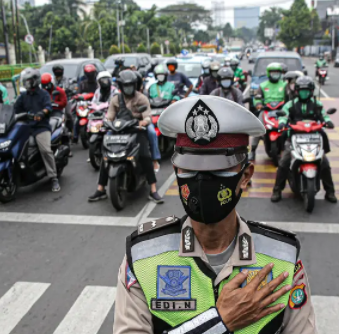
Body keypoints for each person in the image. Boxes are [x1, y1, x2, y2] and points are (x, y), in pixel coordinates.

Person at [114, 95, 316, 334]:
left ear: (246, 175)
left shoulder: (283, 258)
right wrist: (219, 322)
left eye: (218, 169)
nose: (202, 179)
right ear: (177, 171)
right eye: (191, 168)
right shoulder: (143, 257)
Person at [88, 70, 163, 203]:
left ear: (135, 85)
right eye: (125, 86)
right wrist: (105, 123)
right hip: (120, 129)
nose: (128, 88)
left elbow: (147, 115)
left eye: (130, 85)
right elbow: (110, 116)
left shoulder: (141, 98)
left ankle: (153, 190)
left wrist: (144, 122)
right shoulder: (116, 99)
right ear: (121, 86)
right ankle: (100, 189)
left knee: (145, 155)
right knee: (106, 156)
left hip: (137, 128)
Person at [271, 76, 337, 203]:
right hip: (294, 137)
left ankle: (330, 192)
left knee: (325, 164)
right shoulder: (290, 104)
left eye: (307, 90)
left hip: (314, 137)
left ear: (311, 91)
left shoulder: (317, 104)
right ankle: (277, 190)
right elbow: (284, 116)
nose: (304, 93)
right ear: (296, 91)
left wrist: (328, 121)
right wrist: (282, 123)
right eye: (301, 90)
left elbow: (324, 115)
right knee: (283, 162)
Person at [14, 68, 61, 192]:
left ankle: (53, 177)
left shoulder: (43, 94)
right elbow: (15, 108)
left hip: (41, 127)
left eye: (29, 80)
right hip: (26, 127)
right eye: (25, 81)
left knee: (45, 150)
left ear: (35, 80)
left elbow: (48, 107)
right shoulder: (23, 96)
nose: (27, 83)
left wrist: (42, 112)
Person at [249, 62, 287, 161]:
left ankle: (289, 150)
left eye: (277, 72)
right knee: (258, 127)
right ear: (268, 73)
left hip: (281, 110)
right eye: (273, 72)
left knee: (289, 127)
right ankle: (252, 150)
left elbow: (289, 98)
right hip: (266, 110)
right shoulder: (262, 85)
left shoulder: (284, 85)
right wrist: (258, 104)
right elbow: (257, 97)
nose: (275, 74)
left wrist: (287, 105)